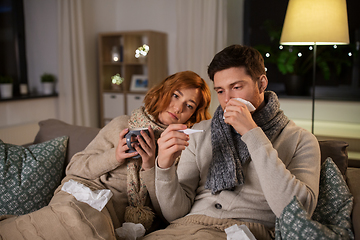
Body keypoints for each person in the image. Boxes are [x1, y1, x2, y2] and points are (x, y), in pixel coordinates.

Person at [0, 70, 211, 239]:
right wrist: (116, 155)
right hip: (82, 193)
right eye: (176, 95)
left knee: (86, 224)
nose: (178, 107)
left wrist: (149, 165)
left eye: (189, 105)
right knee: (71, 216)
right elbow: (75, 168)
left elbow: (166, 213)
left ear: (194, 114)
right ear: (164, 91)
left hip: (109, 216)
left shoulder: (181, 147)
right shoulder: (122, 123)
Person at [143, 45, 321, 240]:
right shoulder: (200, 131)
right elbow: (174, 214)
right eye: (220, 91)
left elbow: (298, 212)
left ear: (261, 84)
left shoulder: (300, 140)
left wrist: (252, 133)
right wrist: (164, 166)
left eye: (236, 87)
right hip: (183, 229)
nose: (227, 100)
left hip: (244, 233)